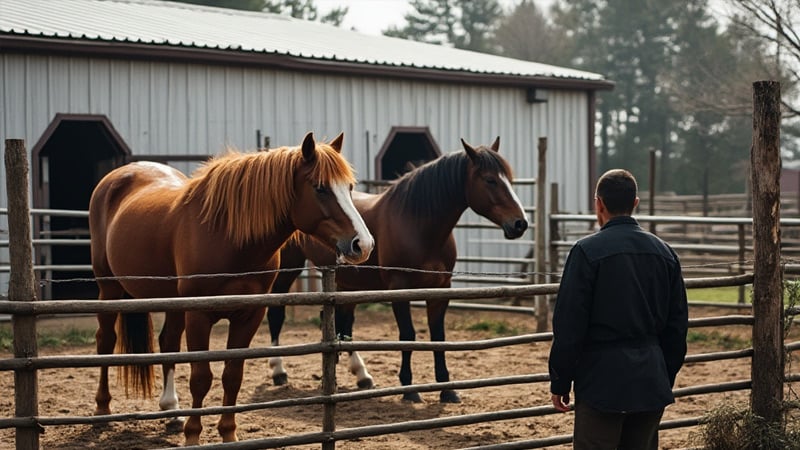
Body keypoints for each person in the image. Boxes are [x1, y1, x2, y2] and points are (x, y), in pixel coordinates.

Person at [548, 169, 688, 450]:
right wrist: (662, 374)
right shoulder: (665, 253)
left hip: (601, 382)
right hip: (650, 381)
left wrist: (560, 381)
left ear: (598, 203)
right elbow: (677, 327)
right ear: (635, 203)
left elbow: (569, 324)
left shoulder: (586, 252)